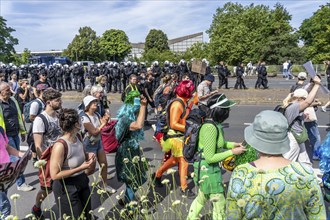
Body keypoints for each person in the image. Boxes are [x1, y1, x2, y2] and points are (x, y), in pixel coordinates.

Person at [226, 110, 326, 219]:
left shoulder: (242, 173)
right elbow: (318, 215)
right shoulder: (305, 173)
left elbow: (232, 215)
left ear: (255, 140)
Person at [187, 94, 246, 220]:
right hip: (207, 170)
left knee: (202, 198)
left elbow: (219, 144)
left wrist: (234, 145)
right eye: (227, 109)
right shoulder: (210, 128)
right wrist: (232, 152)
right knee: (219, 203)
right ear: (220, 111)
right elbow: (210, 157)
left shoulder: (215, 125)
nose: (229, 111)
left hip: (207, 169)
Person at [50, 109, 96, 220]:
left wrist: (88, 156)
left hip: (82, 181)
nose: (81, 122)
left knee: (87, 214)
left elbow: (82, 157)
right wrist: (80, 168)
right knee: (74, 217)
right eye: (80, 120)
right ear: (76, 124)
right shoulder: (60, 145)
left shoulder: (78, 137)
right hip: (66, 187)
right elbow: (54, 175)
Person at [153, 80, 196, 197]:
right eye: (191, 91)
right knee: (183, 161)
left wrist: (192, 103)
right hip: (175, 137)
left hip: (179, 136)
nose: (193, 92)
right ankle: (184, 187)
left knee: (174, 160)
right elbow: (174, 124)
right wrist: (190, 128)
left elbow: (184, 116)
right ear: (186, 92)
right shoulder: (177, 104)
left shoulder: (182, 102)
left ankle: (157, 174)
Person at [31, 88, 62, 218]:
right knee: (46, 189)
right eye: (57, 100)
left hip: (62, 156)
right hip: (48, 159)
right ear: (48, 102)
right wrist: (43, 164)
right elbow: (38, 145)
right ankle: (36, 207)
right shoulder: (40, 120)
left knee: (65, 185)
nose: (60, 102)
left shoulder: (59, 115)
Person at [115, 90, 148, 206]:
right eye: (137, 103)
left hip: (132, 150)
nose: (138, 107)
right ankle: (129, 210)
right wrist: (143, 107)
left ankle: (126, 199)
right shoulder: (125, 119)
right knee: (132, 180)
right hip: (126, 152)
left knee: (140, 179)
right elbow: (139, 125)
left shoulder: (130, 117)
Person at [0, 82, 33, 192]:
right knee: (16, 159)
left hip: (15, 133)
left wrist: (23, 131)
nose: (9, 91)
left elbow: (19, 116)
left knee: (17, 156)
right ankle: (21, 183)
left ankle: (15, 180)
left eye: (9, 89)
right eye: (6, 90)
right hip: (5, 135)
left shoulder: (13, 100)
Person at [281, 76, 321, 166]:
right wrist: (317, 85)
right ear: (301, 99)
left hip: (298, 136)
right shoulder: (294, 106)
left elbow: (307, 103)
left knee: (305, 162)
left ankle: (307, 176)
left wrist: (303, 116)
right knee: (288, 161)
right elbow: (307, 102)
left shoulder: (292, 105)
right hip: (293, 138)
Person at [81, 95, 116, 193]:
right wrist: (104, 123)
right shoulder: (84, 117)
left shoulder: (96, 114)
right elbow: (94, 131)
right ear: (87, 105)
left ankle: (104, 185)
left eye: (96, 102)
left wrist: (106, 119)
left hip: (98, 142)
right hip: (88, 144)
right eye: (93, 102)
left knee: (104, 164)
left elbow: (102, 124)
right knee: (90, 169)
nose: (96, 104)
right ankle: (79, 181)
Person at [0, 125, 27, 218]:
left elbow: (7, 147)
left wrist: (21, 154)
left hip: (4, 175)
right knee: (5, 207)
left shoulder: (0, 130)